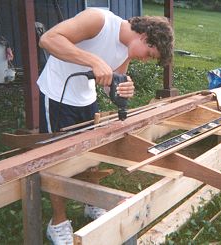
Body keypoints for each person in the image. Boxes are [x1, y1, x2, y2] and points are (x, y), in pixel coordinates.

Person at [36, 7, 174, 245]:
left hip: (86, 98)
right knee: (57, 161)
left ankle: (92, 202)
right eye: (150, 53)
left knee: (92, 154)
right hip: (58, 94)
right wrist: (93, 60)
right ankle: (58, 223)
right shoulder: (99, 21)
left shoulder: (127, 52)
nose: (145, 59)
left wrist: (121, 89)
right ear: (144, 36)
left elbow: (111, 83)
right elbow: (48, 39)